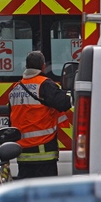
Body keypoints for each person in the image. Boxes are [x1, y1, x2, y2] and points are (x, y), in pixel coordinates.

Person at [8, 51, 72, 179]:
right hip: (43, 151)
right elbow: (64, 103)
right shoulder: (45, 84)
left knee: (26, 193)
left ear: (26, 66)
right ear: (43, 66)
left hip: (23, 152)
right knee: (45, 194)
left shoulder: (15, 88)